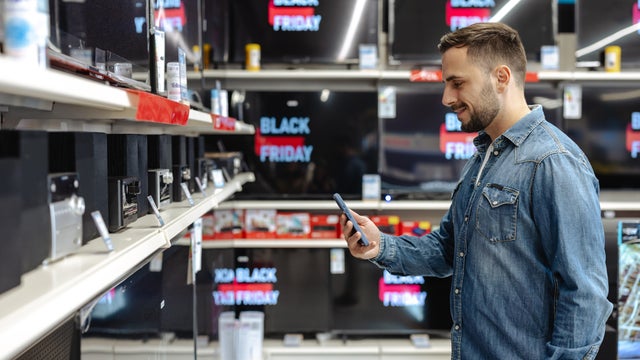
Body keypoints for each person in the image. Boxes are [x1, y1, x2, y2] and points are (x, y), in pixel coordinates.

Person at [339, 22, 613, 359]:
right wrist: (381, 246)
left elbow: (584, 294)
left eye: (457, 83)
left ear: (501, 77)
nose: (446, 98)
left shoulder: (553, 162)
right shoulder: (483, 157)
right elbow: (448, 249)